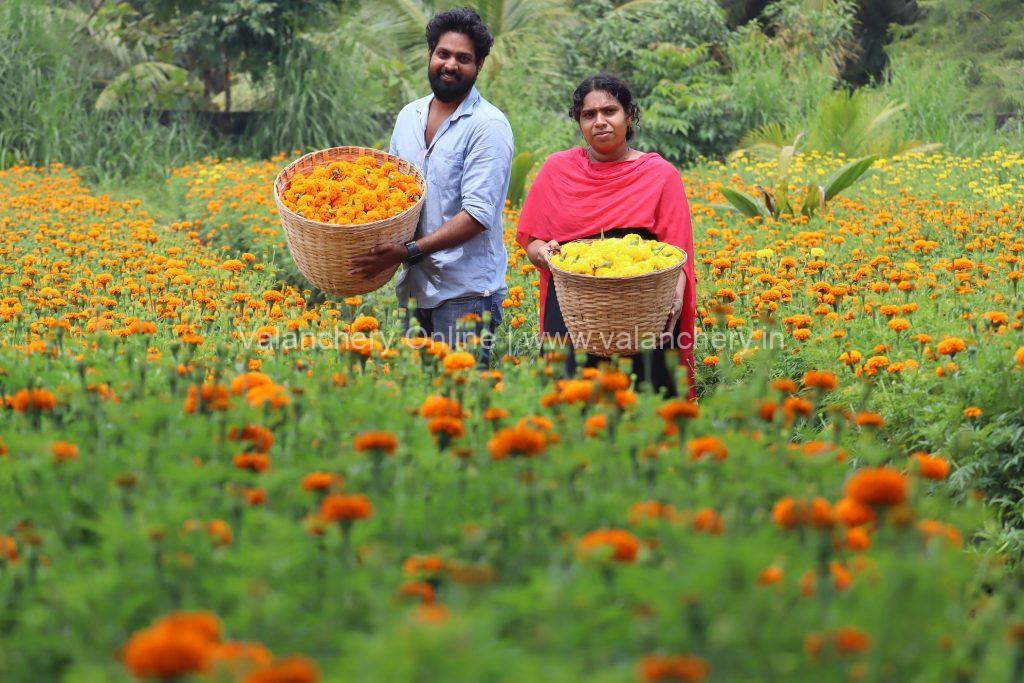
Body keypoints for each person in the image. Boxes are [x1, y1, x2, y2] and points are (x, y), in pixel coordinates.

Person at [516, 73, 697, 399]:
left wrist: (675, 300)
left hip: (644, 312)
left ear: (629, 116)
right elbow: (533, 241)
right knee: (573, 406)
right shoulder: (558, 170)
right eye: (589, 115)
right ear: (579, 122)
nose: (600, 122)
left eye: (609, 111)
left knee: (645, 408)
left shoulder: (660, 175)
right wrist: (544, 254)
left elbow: (677, 251)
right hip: (573, 311)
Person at [349, 7, 513, 366]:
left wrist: (407, 251)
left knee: (459, 402)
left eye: (463, 58)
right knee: (420, 400)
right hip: (415, 288)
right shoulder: (410, 116)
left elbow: (478, 215)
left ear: (480, 65)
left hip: (466, 293)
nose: (450, 65)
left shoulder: (488, 126)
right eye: (443, 54)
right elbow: (394, 190)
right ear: (430, 55)